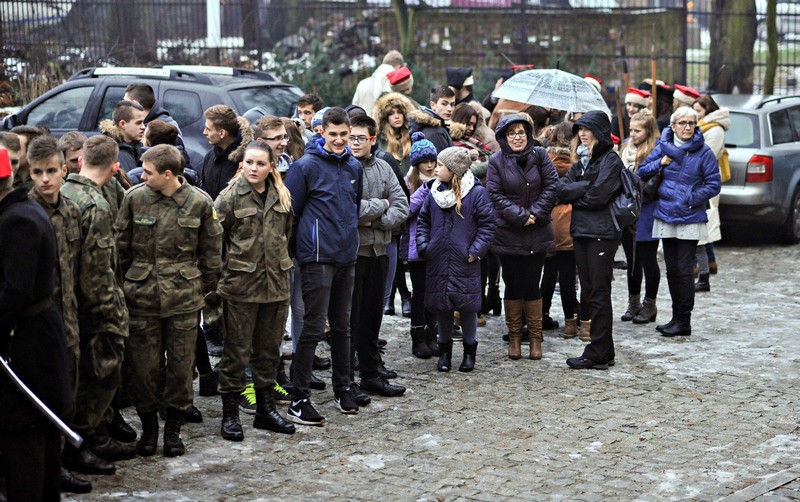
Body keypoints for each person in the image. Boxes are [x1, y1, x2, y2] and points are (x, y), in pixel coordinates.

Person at [115, 144, 222, 457]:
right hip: (142, 300)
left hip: (184, 302)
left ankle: (173, 431)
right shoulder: (134, 198)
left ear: (168, 174)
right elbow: (120, 249)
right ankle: (149, 431)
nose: (142, 176)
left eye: (148, 172)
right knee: (143, 369)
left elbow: (211, 255)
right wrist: (127, 285)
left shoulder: (200, 203)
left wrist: (196, 288)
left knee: (180, 368)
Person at [0, 146, 74, 501]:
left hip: (28, 340)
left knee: (26, 432)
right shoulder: (22, 210)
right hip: (34, 332)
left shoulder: (17, 219)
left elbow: (16, 291)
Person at [284, 108, 363, 426]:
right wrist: (299, 251)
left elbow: (354, 208)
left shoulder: (354, 165)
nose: (340, 140)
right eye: (334, 134)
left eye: (345, 134)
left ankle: (343, 388)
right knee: (314, 328)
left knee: (343, 328)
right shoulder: (305, 167)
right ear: (322, 133)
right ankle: (298, 397)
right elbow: (292, 212)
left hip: (347, 257)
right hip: (317, 258)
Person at [213, 140, 296, 440]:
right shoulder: (229, 197)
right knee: (236, 353)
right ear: (242, 164)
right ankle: (230, 415)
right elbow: (214, 243)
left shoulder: (282, 196)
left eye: (261, 164)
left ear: (271, 167)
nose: (254, 168)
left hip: (276, 287)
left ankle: (265, 411)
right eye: (250, 162)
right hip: (241, 289)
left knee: (268, 353)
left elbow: (286, 237)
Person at [61, 135, 132, 474]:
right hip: (93, 309)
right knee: (100, 373)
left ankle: (92, 435)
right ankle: (88, 439)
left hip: (68, 303)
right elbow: (97, 270)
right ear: (114, 166)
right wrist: (112, 313)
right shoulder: (96, 204)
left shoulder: (64, 192)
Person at [26, 136, 92, 493]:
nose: (45, 179)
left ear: (65, 171)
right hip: (40, 324)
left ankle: (61, 461)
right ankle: (43, 470)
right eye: (38, 172)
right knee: (41, 402)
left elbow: (78, 268)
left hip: (69, 320)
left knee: (68, 394)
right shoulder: (26, 214)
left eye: (52, 171)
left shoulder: (71, 211)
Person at [637, 107, 721, 337]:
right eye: (682, 123)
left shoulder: (703, 152)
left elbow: (714, 183)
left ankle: (684, 320)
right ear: (673, 126)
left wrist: (691, 198)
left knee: (684, 270)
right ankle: (675, 317)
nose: (687, 127)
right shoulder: (662, 147)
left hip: (690, 216)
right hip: (665, 214)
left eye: (691, 123)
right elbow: (641, 172)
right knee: (672, 269)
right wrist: (660, 163)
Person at [417, 146, 496, 373]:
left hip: (465, 260)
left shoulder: (476, 193)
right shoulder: (434, 192)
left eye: (441, 165)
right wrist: (425, 246)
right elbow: (423, 222)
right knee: (442, 307)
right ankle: (444, 354)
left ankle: (469, 352)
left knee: (468, 307)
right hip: (438, 259)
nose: (435, 168)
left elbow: (487, 226)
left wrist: (474, 251)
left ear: (453, 170)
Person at [487, 114, 558, 361]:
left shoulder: (540, 155)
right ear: (504, 137)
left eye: (521, 132)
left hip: (537, 230)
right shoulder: (496, 160)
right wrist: (519, 215)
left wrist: (535, 214)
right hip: (509, 231)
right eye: (511, 133)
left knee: (532, 283)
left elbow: (552, 186)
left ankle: (536, 338)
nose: (517, 137)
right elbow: (494, 194)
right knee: (513, 283)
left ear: (528, 135)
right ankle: (515, 337)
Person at [557, 110, 624, 370]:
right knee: (590, 291)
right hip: (582, 231)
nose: (583, 134)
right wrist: (585, 187)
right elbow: (561, 191)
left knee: (598, 292)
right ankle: (604, 350)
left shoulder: (610, 160)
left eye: (587, 129)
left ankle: (597, 350)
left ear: (600, 132)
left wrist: (579, 192)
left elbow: (600, 196)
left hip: (601, 234)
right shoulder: (581, 162)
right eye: (580, 130)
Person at [348, 115, 409, 398]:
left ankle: (371, 375)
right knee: (350, 320)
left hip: (379, 251)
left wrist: (375, 221)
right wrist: (380, 205)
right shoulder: (342, 168)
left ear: (373, 139)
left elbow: (402, 207)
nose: (354, 142)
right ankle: (347, 379)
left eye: (360, 137)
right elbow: (348, 209)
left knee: (373, 318)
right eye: (351, 137)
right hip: (352, 255)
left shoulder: (384, 167)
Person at [618, 111, 662, 325]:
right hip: (628, 210)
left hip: (647, 210)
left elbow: (654, 183)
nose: (632, 135)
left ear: (648, 131)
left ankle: (650, 304)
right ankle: (633, 302)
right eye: (631, 130)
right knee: (632, 260)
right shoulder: (625, 150)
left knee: (647, 259)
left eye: (637, 131)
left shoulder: (654, 152)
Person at [538, 121, 580, 339]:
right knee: (567, 276)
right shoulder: (577, 164)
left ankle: (542, 315)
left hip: (547, 223)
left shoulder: (544, 161)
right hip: (569, 223)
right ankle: (571, 323)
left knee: (548, 272)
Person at [402, 133, 440, 359]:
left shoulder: (442, 180)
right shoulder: (410, 183)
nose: (429, 165)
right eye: (425, 161)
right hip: (417, 247)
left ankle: (432, 334)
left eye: (432, 161)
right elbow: (406, 210)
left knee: (434, 293)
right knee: (420, 293)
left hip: (437, 245)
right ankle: (418, 336)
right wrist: (425, 190)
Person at [692, 93, 729, 291]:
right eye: (694, 110)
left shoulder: (714, 130)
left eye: (699, 111)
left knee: (705, 226)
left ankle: (704, 271)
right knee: (702, 228)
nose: (696, 114)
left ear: (708, 110)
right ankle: (708, 264)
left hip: (707, 183)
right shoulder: (699, 128)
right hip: (698, 182)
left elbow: (706, 155)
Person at [198, 105, 253, 200]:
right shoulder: (210, 156)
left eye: (208, 129)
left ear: (222, 133)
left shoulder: (248, 160)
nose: (204, 132)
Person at [99, 100, 146, 173]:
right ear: (123, 124)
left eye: (143, 122)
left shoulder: (138, 146)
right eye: (138, 123)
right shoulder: (109, 152)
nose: (143, 127)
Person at [409, 85, 455, 154]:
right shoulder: (436, 132)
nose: (449, 109)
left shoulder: (438, 127)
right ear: (432, 105)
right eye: (444, 104)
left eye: (452, 104)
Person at [10, 125, 47, 189]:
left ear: (32, 152)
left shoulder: (46, 183)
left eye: (16, 148)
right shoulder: (5, 181)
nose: (9, 153)